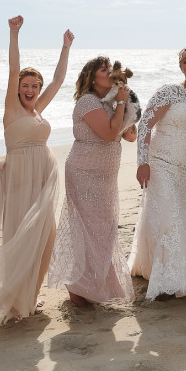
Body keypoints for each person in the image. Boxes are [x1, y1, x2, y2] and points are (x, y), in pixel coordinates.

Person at [0, 17, 74, 326]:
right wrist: (14, 34)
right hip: (19, 181)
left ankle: (28, 295)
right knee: (20, 238)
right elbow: (13, 68)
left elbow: (58, 80)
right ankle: (17, 303)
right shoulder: (12, 108)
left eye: (35, 86)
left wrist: (66, 46)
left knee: (45, 236)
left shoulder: (37, 109)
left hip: (41, 180)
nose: (30, 89)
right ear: (18, 88)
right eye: (26, 85)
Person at [128, 47, 186, 298]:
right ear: (181, 67)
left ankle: (174, 273)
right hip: (162, 166)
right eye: (185, 61)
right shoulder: (169, 92)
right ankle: (168, 283)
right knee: (171, 220)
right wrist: (143, 162)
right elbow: (146, 124)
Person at [48, 56, 137, 307]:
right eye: (103, 69)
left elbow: (130, 136)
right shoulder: (87, 101)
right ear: (91, 77)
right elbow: (109, 134)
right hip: (84, 172)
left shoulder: (111, 102)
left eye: (110, 69)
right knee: (87, 229)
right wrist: (120, 104)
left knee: (105, 228)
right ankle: (77, 287)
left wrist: (128, 104)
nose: (109, 72)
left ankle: (93, 286)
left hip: (106, 175)